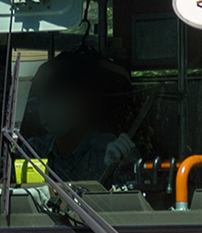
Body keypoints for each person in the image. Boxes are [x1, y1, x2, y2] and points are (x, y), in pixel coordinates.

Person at [26, 48, 141, 186]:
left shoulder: (110, 151)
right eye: (46, 95)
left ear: (83, 102)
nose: (50, 103)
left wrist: (121, 168)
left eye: (61, 94)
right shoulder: (32, 151)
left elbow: (130, 195)